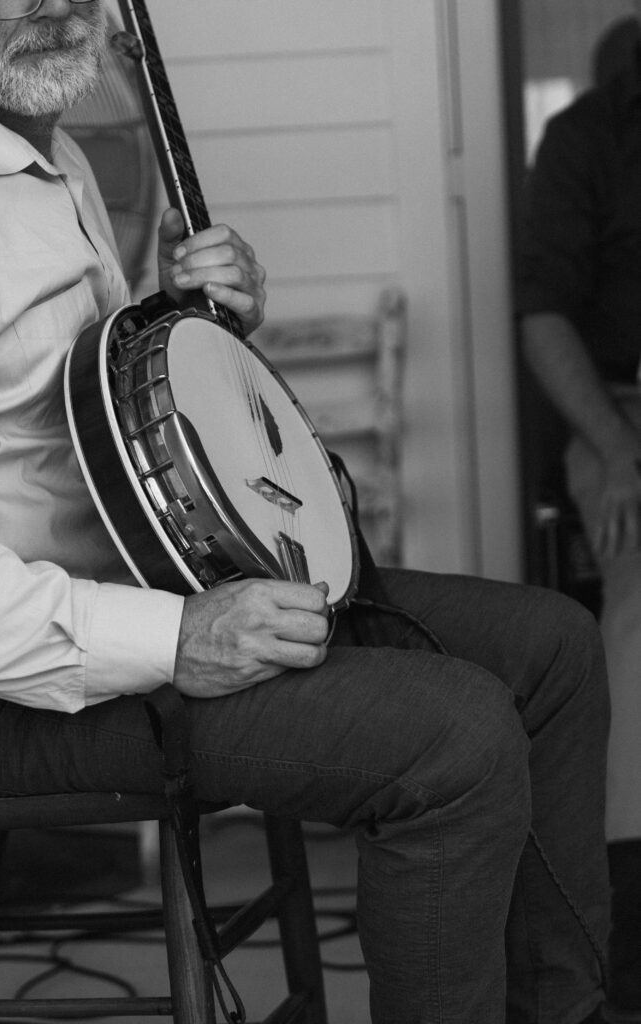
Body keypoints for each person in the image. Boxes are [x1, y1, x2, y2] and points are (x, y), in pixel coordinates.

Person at [0, 1, 612, 1021]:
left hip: (151, 584)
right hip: (17, 693)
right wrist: (179, 635)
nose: (45, 1)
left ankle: (556, 1010)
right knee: (455, 737)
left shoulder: (55, 164)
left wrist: (197, 316)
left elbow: (91, 419)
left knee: (552, 650)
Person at [518, 18, 641, 1017]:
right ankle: (622, 923)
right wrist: (610, 449)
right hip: (620, 406)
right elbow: (544, 311)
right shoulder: (585, 139)